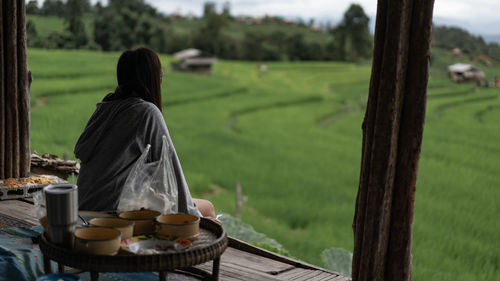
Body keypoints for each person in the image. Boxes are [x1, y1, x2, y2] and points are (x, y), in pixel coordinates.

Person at [74, 47, 216, 220]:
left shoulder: (105, 107)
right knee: (207, 209)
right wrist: (194, 219)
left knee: (200, 208)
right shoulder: (146, 112)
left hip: (83, 206)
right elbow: (172, 170)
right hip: (109, 213)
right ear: (152, 78)